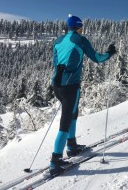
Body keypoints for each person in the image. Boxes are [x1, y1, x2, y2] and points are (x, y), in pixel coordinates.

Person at [49, 14, 116, 176]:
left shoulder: (58, 40)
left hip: (56, 84)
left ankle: (72, 146)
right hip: (71, 86)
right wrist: (109, 53)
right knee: (66, 120)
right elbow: (97, 59)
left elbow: (55, 62)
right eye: (82, 26)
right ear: (78, 27)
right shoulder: (80, 40)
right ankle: (55, 161)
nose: (82, 28)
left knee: (73, 113)